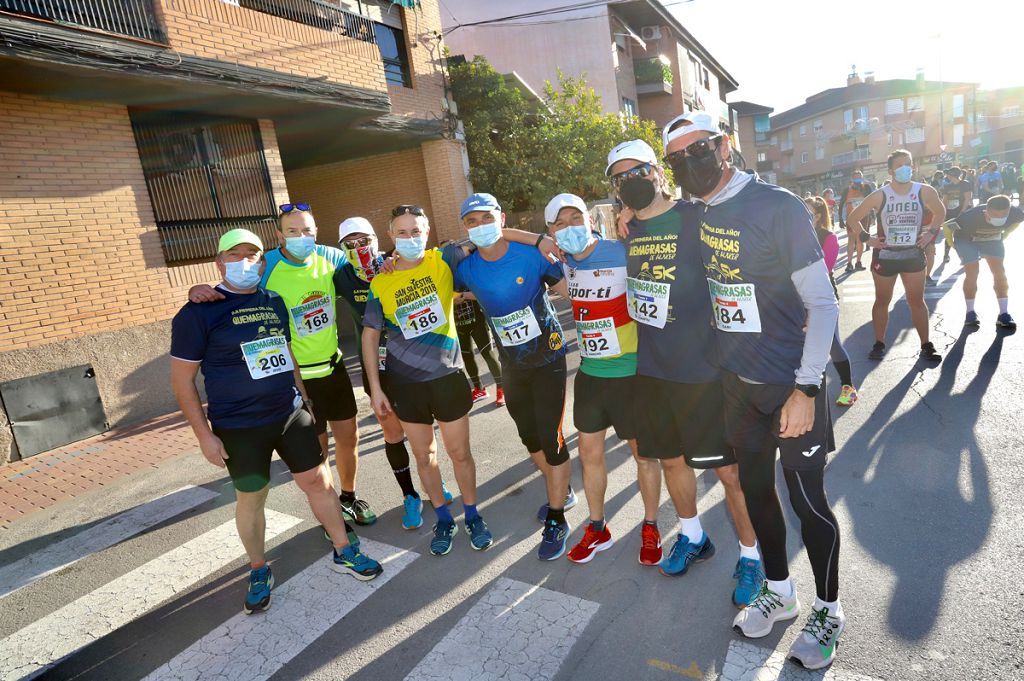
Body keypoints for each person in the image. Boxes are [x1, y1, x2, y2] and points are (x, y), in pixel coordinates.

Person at [658, 111, 843, 670]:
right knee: (758, 495)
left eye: (701, 149)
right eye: (678, 158)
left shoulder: (778, 206)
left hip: (792, 385)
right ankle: (781, 593)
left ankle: (829, 609)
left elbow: (824, 303)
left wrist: (806, 390)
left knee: (808, 503)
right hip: (738, 388)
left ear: (725, 145)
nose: (691, 162)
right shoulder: (698, 212)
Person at [170, 229, 383, 614]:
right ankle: (257, 568)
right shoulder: (198, 312)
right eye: (236, 255)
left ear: (263, 262)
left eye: (253, 255)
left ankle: (344, 550)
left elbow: (285, 353)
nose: (246, 262)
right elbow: (182, 381)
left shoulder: (273, 301)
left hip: (289, 413)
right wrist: (204, 435)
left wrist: (303, 396)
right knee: (252, 498)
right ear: (219, 262)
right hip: (239, 427)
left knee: (318, 481)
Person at [610, 138, 763, 607]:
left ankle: (753, 555)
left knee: (729, 473)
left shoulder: (697, 216)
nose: (631, 181)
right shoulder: (629, 229)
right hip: (653, 370)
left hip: (704, 369)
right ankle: (694, 536)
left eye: (639, 171)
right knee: (671, 460)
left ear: (658, 171)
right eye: (620, 178)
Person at [188, 205, 376, 530]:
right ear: (279, 235)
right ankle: (329, 511)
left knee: (349, 440)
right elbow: (232, 281)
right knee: (318, 454)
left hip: (334, 368)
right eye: (293, 231)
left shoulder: (330, 257)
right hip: (299, 377)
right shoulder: (268, 264)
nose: (302, 237)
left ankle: (348, 497)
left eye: (308, 231)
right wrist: (197, 290)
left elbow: (365, 267)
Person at [453, 192, 580, 561]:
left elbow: (572, 292)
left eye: (486, 218)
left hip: (549, 359)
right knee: (529, 437)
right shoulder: (465, 269)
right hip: (512, 367)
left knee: (552, 438)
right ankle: (564, 491)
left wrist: (538, 239)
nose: (480, 227)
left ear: (502, 217)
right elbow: (445, 281)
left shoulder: (530, 254)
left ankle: (557, 516)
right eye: (471, 222)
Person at [361, 205, 493, 556]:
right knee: (424, 456)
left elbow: (488, 235)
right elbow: (370, 335)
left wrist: (540, 240)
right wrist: (375, 388)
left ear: (428, 230)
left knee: (459, 453)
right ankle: (444, 518)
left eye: (416, 231)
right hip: (405, 385)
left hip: (447, 377)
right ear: (390, 237)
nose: (410, 238)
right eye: (402, 233)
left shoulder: (442, 260)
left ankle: (472, 514)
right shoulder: (381, 279)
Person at [544, 193, 664, 567]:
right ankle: (598, 527)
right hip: (591, 375)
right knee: (591, 456)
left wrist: (634, 211)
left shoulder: (621, 250)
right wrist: (538, 242)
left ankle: (650, 525)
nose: (569, 228)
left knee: (644, 456)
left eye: (575, 218)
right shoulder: (560, 264)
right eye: (559, 224)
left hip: (631, 374)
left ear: (591, 219)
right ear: (550, 232)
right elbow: (504, 237)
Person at [334, 217, 454, 531]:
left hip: (411, 362)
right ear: (342, 248)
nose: (359, 248)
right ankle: (410, 494)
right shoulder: (340, 277)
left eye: (365, 240)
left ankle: (434, 485)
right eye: (351, 243)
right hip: (377, 366)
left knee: (423, 433)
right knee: (393, 433)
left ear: (377, 238)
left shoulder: (394, 262)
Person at [846, 150, 946, 362]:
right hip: (886, 256)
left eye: (908, 164)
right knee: (882, 300)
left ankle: (926, 345)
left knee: (916, 301)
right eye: (900, 165)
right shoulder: (880, 195)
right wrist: (867, 239)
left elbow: (941, 212)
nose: (906, 168)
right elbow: (853, 219)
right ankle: (879, 343)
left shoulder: (924, 191)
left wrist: (931, 234)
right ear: (891, 170)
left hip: (913, 255)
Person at [806, 197, 858, 407]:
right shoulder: (793, 236)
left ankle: (848, 387)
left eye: (807, 211)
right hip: (797, 298)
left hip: (823, 297)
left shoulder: (829, 238)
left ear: (818, 216)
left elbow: (824, 269)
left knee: (832, 344)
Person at [947, 195, 1023, 330]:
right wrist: (951, 243)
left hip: (992, 240)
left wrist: (1006, 234)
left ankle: (1004, 314)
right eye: (995, 215)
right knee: (972, 272)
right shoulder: (970, 217)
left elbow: (1018, 221)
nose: (1000, 218)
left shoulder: (1015, 212)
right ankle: (970, 313)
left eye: (1003, 215)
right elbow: (947, 226)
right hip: (967, 240)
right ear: (986, 211)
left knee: (999, 272)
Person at [452, 290, 505, 406]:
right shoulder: (442, 275)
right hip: (458, 324)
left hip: (478, 321)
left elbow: (484, 291)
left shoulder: (465, 272)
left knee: (487, 354)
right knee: (467, 357)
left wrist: (463, 296)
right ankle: (479, 389)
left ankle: (502, 389)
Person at [838, 170, 875, 272]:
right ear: (852, 179)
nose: (858, 179)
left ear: (862, 178)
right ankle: (849, 264)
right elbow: (841, 204)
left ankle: (858, 262)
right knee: (851, 240)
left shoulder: (866, 188)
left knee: (860, 240)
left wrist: (872, 215)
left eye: (860, 177)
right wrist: (840, 219)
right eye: (856, 177)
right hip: (851, 218)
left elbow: (871, 201)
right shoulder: (847, 190)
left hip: (864, 217)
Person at [939, 167, 973, 264]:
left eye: (948, 174)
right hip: (951, 213)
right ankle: (946, 255)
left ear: (952, 175)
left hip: (963, 213)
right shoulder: (947, 186)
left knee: (963, 234)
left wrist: (962, 211)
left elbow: (968, 198)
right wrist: (943, 213)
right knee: (949, 234)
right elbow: (945, 200)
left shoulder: (965, 184)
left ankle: (966, 255)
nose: (947, 176)